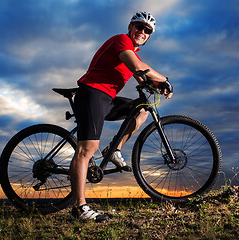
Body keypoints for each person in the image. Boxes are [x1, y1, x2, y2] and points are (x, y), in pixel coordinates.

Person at [70, 12, 173, 221]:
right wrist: (165, 79)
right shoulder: (122, 41)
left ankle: (114, 150)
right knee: (87, 149)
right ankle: (78, 208)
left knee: (142, 109)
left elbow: (141, 75)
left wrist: (156, 85)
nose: (142, 32)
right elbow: (137, 67)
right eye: (139, 27)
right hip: (92, 93)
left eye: (147, 31)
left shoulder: (133, 52)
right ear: (130, 26)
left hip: (107, 98)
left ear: (149, 36)